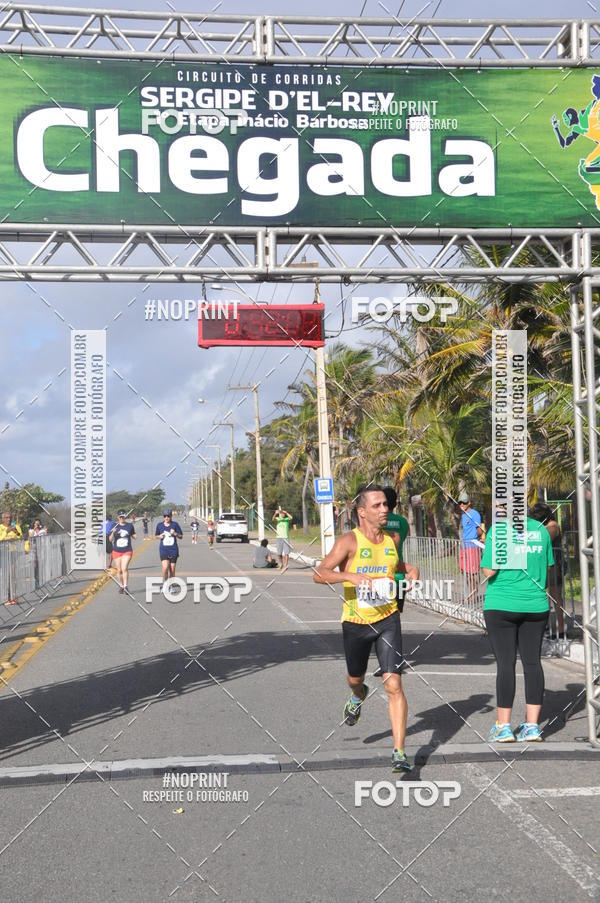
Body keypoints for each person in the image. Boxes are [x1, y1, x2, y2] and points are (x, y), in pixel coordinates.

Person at [314, 484, 413, 773]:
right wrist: (350, 576)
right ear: (362, 512)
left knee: (394, 684)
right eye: (377, 506)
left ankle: (399, 752)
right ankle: (358, 695)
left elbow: (396, 565)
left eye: (386, 505)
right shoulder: (349, 542)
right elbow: (320, 573)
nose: (385, 510)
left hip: (388, 619)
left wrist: (411, 570)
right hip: (356, 624)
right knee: (354, 679)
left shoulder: (392, 539)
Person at [481, 507, 554, 743]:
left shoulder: (498, 531)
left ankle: (503, 727)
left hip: (501, 603)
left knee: (505, 664)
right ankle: (532, 726)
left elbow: (489, 570)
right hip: (535, 605)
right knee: (532, 663)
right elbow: (548, 566)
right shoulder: (541, 530)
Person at [372, 487, 420, 677]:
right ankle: (394, 660)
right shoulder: (401, 522)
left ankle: (386, 661)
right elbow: (401, 541)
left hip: (381, 575)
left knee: (378, 620)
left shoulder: (377, 521)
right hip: (399, 576)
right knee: (394, 620)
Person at [530, 502, 565, 641]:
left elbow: (545, 537)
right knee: (540, 595)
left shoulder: (553, 525)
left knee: (556, 597)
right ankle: (543, 625)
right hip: (541, 565)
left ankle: (561, 630)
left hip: (554, 564)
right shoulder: (540, 526)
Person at [458, 492, 484, 597]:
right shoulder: (463, 515)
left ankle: (474, 595)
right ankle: (471, 592)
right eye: (460, 503)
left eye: (464, 503)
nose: (462, 505)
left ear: (469, 503)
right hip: (464, 547)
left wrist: (475, 538)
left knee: (474, 573)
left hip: (473, 547)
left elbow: (480, 531)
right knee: (465, 572)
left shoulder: (475, 514)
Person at [155, 510, 183, 590]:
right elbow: (156, 535)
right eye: (165, 516)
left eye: (168, 516)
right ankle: (165, 584)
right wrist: (159, 536)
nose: (166, 518)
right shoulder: (159, 525)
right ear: (163, 517)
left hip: (173, 549)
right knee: (165, 567)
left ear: (171, 516)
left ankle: (170, 586)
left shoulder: (175, 525)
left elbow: (181, 536)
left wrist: (175, 534)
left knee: (172, 569)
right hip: (163, 549)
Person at [109, 511, 136, 594]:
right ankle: (121, 585)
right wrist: (113, 532)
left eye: (123, 516)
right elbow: (110, 540)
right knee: (119, 570)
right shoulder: (114, 526)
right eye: (120, 517)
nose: (122, 518)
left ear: (125, 517)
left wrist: (134, 536)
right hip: (117, 551)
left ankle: (125, 586)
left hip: (127, 550)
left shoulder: (129, 525)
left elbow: (133, 535)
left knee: (124, 568)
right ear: (118, 517)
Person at [0, 512, 23, 605]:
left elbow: (20, 537)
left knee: (13, 575)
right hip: (3, 553)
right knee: (5, 576)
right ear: (2, 519)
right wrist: (7, 532)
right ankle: (6, 598)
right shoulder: (1, 527)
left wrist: (15, 532)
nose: (8, 519)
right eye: (6, 517)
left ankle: (14, 597)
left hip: (13, 552)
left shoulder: (16, 526)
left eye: (10, 517)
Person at [273, 506, 293, 570]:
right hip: (279, 538)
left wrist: (286, 513)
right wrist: (276, 513)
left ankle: (286, 564)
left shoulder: (286, 519)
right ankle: (281, 564)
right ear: (280, 514)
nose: (282, 514)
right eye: (281, 513)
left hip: (286, 537)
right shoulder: (278, 519)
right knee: (279, 553)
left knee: (286, 552)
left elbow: (291, 517)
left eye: (283, 514)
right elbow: (273, 519)